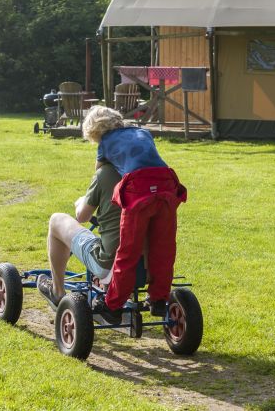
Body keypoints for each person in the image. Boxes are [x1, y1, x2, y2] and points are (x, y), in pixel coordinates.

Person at [82, 106, 187, 319]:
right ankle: (159, 299)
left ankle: (113, 304)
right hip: (166, 183)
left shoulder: (105, 143)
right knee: (164, 248)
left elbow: (100, 171)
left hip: (138, 189)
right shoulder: (142, 132)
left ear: (94, 131)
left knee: (128, 250)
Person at [37, 164, 122, 313]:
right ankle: (113, 292)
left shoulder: (106, 173)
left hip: (110, 264)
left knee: (57, 220)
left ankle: (57, 291)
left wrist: (82, 202)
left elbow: (82, 216)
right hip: (148, 266)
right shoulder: (153, 173)